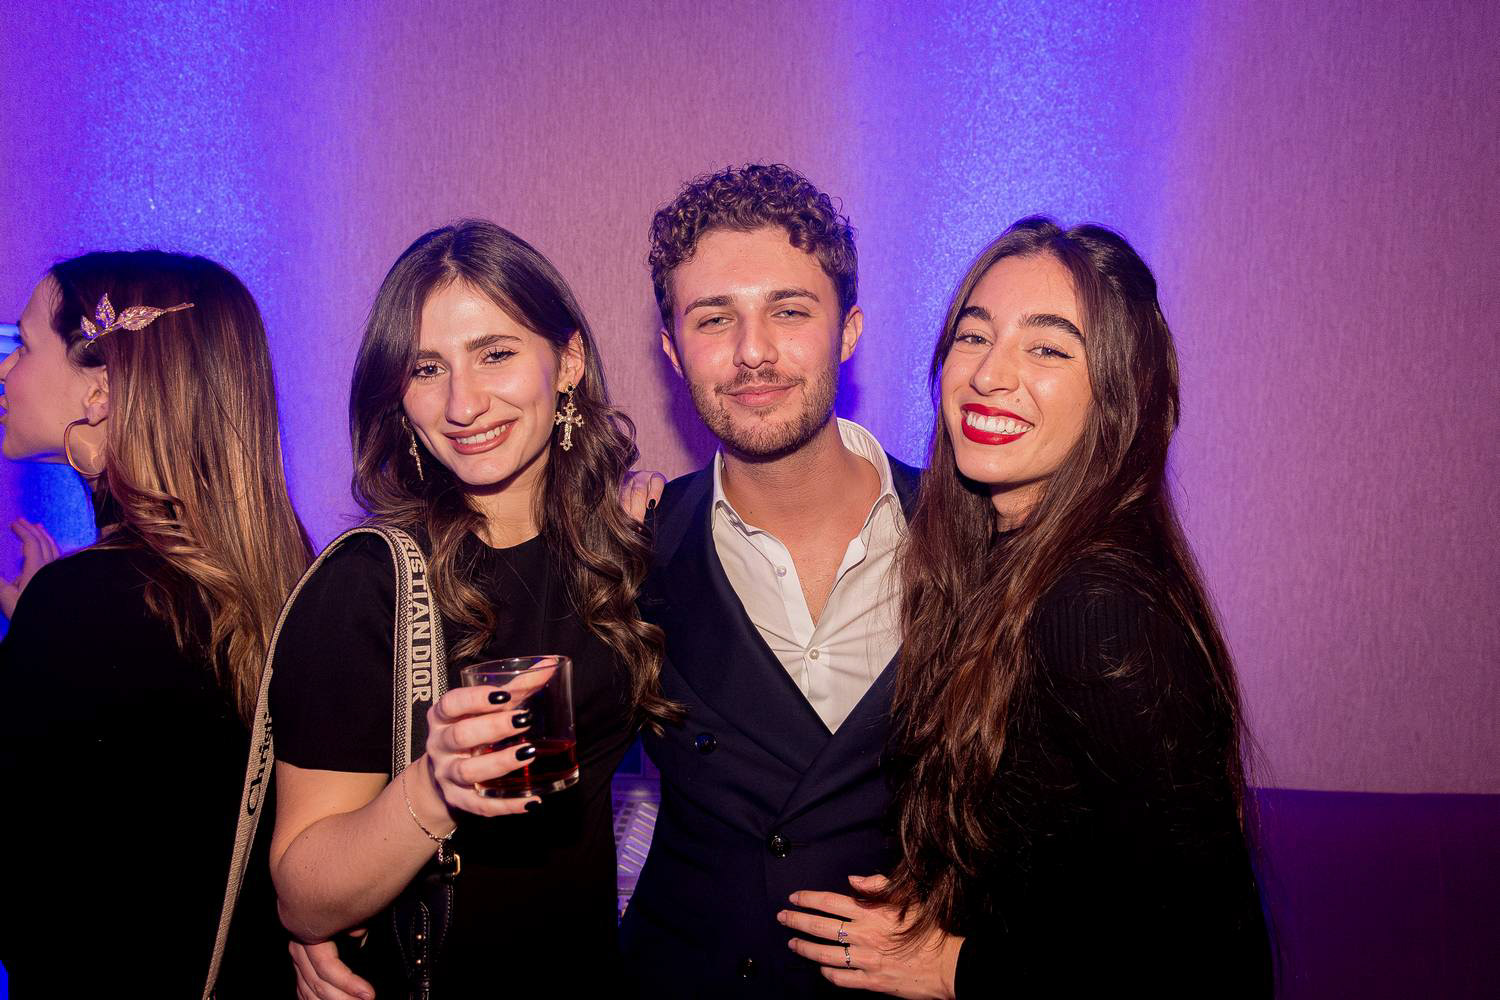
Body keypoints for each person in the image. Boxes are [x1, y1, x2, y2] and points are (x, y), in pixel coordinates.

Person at [780, 218, 1272, 997]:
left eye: (1047, 348)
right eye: (974, 336)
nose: (990, 374)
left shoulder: (1097, 605)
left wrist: (958, 967)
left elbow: (1210, 957)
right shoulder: (991, 568)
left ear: (1118, 391)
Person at [268, 220, 676, 998]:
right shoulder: (368, 585)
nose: (463, 403)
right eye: (428, 368)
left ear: (568, 362)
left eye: (495, 354)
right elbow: (302, 894)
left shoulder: (622, 553)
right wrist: (435, 788)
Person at [618, 163, 919, 997]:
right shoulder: (632, 549)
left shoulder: (972, 538)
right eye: (715, 319)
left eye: (789, 310)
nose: (753, 352)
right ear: (673, 350)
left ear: (847, 331)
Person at [0, 251, 311, 996]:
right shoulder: (292, 578)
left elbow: (27, 892)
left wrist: (43, 633)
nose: (5, 370)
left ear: (101, 391)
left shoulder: (80, 604)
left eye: (25, 344)